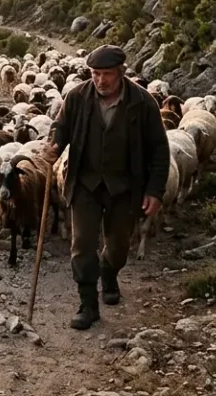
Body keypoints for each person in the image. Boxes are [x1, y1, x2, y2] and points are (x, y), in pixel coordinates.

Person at [46, 44, 169, 330]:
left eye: (107, 74)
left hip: (125, 186)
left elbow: (159, 150)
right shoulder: (77, 97)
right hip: (85, 183)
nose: (100, 80)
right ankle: (88, 304)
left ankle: (110, 271)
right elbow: (61, 127)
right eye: (95, 74)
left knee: (119, 247)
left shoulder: (143, 103)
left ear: (121, 72)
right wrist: (54, 145)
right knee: (82, 244)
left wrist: (155, 191)